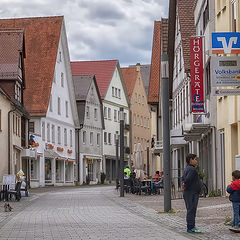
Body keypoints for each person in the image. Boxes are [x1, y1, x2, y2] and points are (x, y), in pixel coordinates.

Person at [182, 153, 202, 233]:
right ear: (191, 160)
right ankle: (191, 227)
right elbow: (188, 179)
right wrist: (185, 184)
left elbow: (183, 178)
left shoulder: (187, 168)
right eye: (195, 159)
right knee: (191, 209)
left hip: (189, 192)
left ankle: (191, 226)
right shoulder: (192, 169)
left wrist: (183, 183)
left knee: (190, 209)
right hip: (192, 192)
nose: (196, 161)